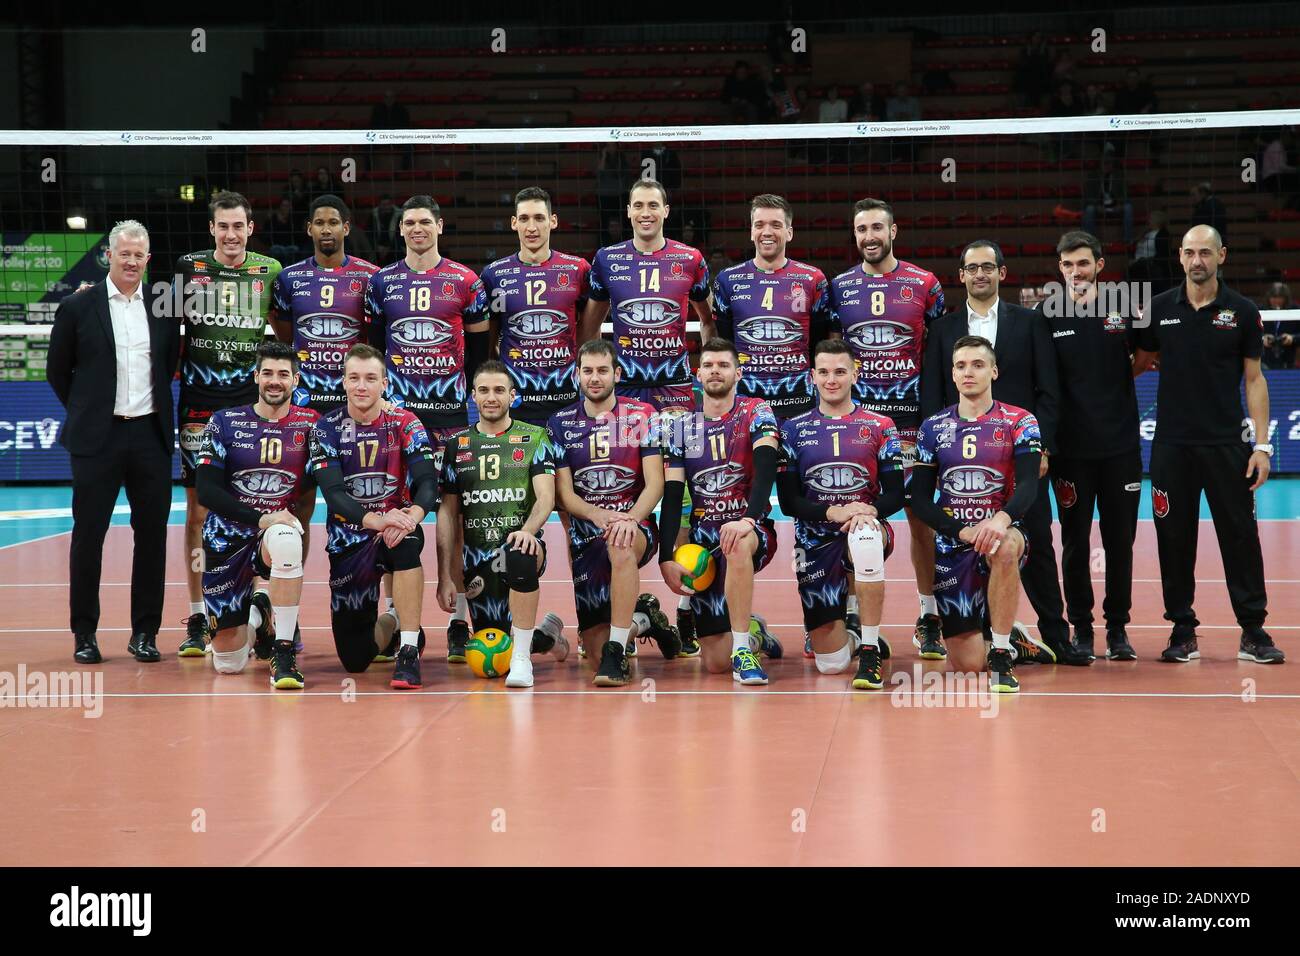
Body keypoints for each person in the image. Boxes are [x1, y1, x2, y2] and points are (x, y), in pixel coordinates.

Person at [923, 240, 1089, 665]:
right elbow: (933, 397)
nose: (980, 274)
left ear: (1002, 272)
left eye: (988, 267)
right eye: (972, 267)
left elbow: (1048, 390)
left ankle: (1057, 632)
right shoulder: (942, 330)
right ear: (960, 275)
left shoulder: (1030, 322)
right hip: (961, 465)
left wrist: (1042, 446)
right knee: (965, 548)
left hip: (1018, 457)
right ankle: (994, 633)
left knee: (1035, 545)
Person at [1134, 225, 1282, 664]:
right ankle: (1182, 630)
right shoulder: (1159, 310)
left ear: (1222, 256)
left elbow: (1255, 381)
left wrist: (1262, 447)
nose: (1197, 261)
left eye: (1206, 253)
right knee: (1173, 538)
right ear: (1179, 257)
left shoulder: (1241, 311)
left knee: (1240, 536)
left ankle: (1253, 630)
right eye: (1190, 253)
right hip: (1172, 447)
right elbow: (1139, 362)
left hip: (1226, 446)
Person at [580, 178, 713, 652]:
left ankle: (688, 606)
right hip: (627, 393)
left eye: (653, 205)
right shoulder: (607, 259)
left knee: (687, 490)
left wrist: (703, 367)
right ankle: (611, 601)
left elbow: (708, 317)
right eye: (638, 205)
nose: (645, 212)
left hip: (677, 391)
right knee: (615, 482)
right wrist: (594, 367)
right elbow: (592, 321)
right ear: (629, 210)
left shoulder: (690, 258)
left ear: (666, 210)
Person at [47, 220, 178, 665]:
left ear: (147, 260)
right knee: (88, 537)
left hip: (149, 435)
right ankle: (85, 633)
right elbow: (57, 372)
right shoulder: (77, 307)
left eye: (138, 255)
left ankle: (145, 632)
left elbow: (168, 365)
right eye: (124, 253)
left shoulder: (163, 308)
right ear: (108, 255)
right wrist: (90, 411)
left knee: (152, 539)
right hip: (97, 439)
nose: (131, 261)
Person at [366, 195, 489, 663]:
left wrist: (474, 407)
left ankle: (459, 618)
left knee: (452, 514)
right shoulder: (382, 283)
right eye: (409, 222)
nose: (417, 229)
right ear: (401, 230)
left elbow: (479, 356)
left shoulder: (465, 281)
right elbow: (374, 352)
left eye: (425, 222)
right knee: (393, 508)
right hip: (398, 417)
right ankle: (397, 616)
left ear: (440, 225)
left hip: (450, 416)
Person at [829, 198, 946, 661]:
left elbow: (937, 355)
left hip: (912, 422)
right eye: (861, 229)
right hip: (859, 425)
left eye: (878, 227)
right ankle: (852, 613)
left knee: (920, 518)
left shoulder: (926, 284)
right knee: (852, 515)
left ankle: (929, 614)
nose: (869, 236)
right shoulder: (838, 288)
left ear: (893, 231)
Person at [174, 191, 283, 657]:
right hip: (199, 404)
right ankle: (200, 614)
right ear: (212, 230)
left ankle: (258, 605)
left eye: (239, 226)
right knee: (199, 511)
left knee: (255, 502)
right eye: (224, 227)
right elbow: (162, 322)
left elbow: (286, 329)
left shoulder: (270, 271)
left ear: (251, 228)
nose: (232, 234)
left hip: (250, 406)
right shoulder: (188, 269)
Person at [907, 335, 1043, 693]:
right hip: (956, 541)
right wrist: (961, 531)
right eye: (961, 366)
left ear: (994, 371)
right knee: (966, 665)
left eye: (978, 365)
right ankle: (1011, 636)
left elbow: (1029, 485)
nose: (969, 372)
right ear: (952, 375)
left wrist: (1001, 520)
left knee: (1005, 546)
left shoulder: (1020, 421)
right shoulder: (933, 427)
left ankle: (1000, 652)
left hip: (1003, 531)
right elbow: (919, 499)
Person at [549, 339, 682, 684]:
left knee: (620, 544)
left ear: (616, 374)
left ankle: (617, 653)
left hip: (635, 528)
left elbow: (655, 484)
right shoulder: (560, 423)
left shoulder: (641, 415)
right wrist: (598, 515)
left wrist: (630, 519)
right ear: (577, 375)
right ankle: (645, 618)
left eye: (603, 370)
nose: (595, 378)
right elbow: (563, 495)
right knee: (592, 653)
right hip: (587, 531)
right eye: (588, 371)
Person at [309, 344, 442, 687]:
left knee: (405, 542)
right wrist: (375, 520)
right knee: (355, 660)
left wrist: (410, 515)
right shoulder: (326, 428)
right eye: (354, 378)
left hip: (395, 528)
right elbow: (335, 495)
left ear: (385, 382)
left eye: (370, 378)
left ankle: (409, 652)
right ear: (343, 382)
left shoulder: (405, 422)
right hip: (350, 540)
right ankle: (395, 621)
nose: (361, 386)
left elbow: (427, 480)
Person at [777, 339, 906, 689]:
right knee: (830, 666)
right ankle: (850, 632)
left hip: (865, 526)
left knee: (863, 536)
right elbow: (789, 502)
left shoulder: (881, 426)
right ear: (812, 377)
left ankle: (869, 651)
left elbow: (897, 492)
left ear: (855, 373)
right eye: (823, 372)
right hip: (814, 538)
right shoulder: (791, 430)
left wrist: (871, 509)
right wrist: (834, 511)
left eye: (839, 371)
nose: (831, 379)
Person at [657, 338, 784, 685]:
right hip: (703, 541)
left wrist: (748, 519)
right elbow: (671, 496)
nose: (715, 371)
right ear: (698, 375)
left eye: (723, 365)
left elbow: (767, 465)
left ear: (738, 373)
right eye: (709, 365)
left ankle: (743, 649)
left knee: (738, 543)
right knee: (714, 663)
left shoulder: (756, 410)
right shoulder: (682, 428)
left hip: (750, 528)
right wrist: (665, 557)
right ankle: (754, 632)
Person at [437, 361, 569, 689]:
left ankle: (524, 662)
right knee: (494, 652)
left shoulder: (535, 437)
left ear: (512, 395)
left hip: (522, 547)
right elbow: (448, 514)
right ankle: (547, 636)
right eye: (484, 390)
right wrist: (446, 574)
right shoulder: (457, 446)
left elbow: (545, 498)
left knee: (520, 554)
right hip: (476, 560)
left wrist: (527, 531)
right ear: (473, 397)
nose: (491, 397)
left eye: (499, 390)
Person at [1040, 231, 1140, 659]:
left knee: (1121, 542)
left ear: (1100, 264)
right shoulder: (1047, 314)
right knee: (1075, 543)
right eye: (1067, 265)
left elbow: (1148, 356)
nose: (1075, 271)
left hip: (1120, 448)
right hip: (1070, 452)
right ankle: (1081, 627)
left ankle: (1118, 630)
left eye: (1083, 263)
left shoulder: (1125, 306)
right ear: (1059, 269)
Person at [195, 342, 316, 688]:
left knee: (288, 537)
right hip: (226, 537)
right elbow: (206, 491)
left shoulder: (311, 425)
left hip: (274, 532)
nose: (274, 381)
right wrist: (260, 518)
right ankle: (258, 613)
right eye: (267, 373)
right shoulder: (224, 422)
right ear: (256, 377)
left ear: (295, 380)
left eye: (283, 374)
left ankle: (283, 650)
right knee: (229, 664)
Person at [270, 193, 380, 562]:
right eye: (319, 223)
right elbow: (285, 337)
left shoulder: (370, 278)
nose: (327, 229)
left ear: (346, 228)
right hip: (305, 408)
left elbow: (375, 340)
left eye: (333, 222)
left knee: (362, 503)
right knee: (296, 507)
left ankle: (372, 599)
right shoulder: (289, 279)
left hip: (354, 408)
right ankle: (286, 604)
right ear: (309, 229)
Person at [473, 187, 590, 426]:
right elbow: (489, 343)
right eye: (524, 219)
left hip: (566, 399)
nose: (532, 227)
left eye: (539, 218)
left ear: (553, 221)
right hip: (516, 404)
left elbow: (590, 333)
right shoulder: (494, 275)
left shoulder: (577, 270)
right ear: (514, 223)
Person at [713, 194, 831, 421]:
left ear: (789, 232)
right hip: (746, 404)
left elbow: (820, 346)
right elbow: (725, 344)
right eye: (759, 225)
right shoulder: (727, 281)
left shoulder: (813, 280)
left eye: (776, 225)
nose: (767, 232)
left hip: (799, 402)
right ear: (751, 232)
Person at [1082, 151, 1134, 244]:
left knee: (1128, 207)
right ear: (1100, 164)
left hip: (1116, 205)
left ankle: (1128, 239)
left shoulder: (1119, 175)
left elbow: (1125, 193)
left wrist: (1120, 204)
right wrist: (1096, 205)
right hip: (1099, 205)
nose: (1107, 166)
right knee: (1089, 209)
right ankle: (1090, 240)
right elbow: (1089, 195)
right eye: (1104, 163)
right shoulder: (1093, 176)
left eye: (1109, 163)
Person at [1261, 282, 1297, 369]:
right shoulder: (1260, 310)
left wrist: (1292, 338)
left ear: (1286, 298)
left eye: (1280, 297)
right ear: (1269, 297)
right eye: (1274, 297)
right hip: (1264, 360)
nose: (1276, 300)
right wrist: (1262, 338)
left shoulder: (1295, 311)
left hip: (1288, 360)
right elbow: (1250, 333)